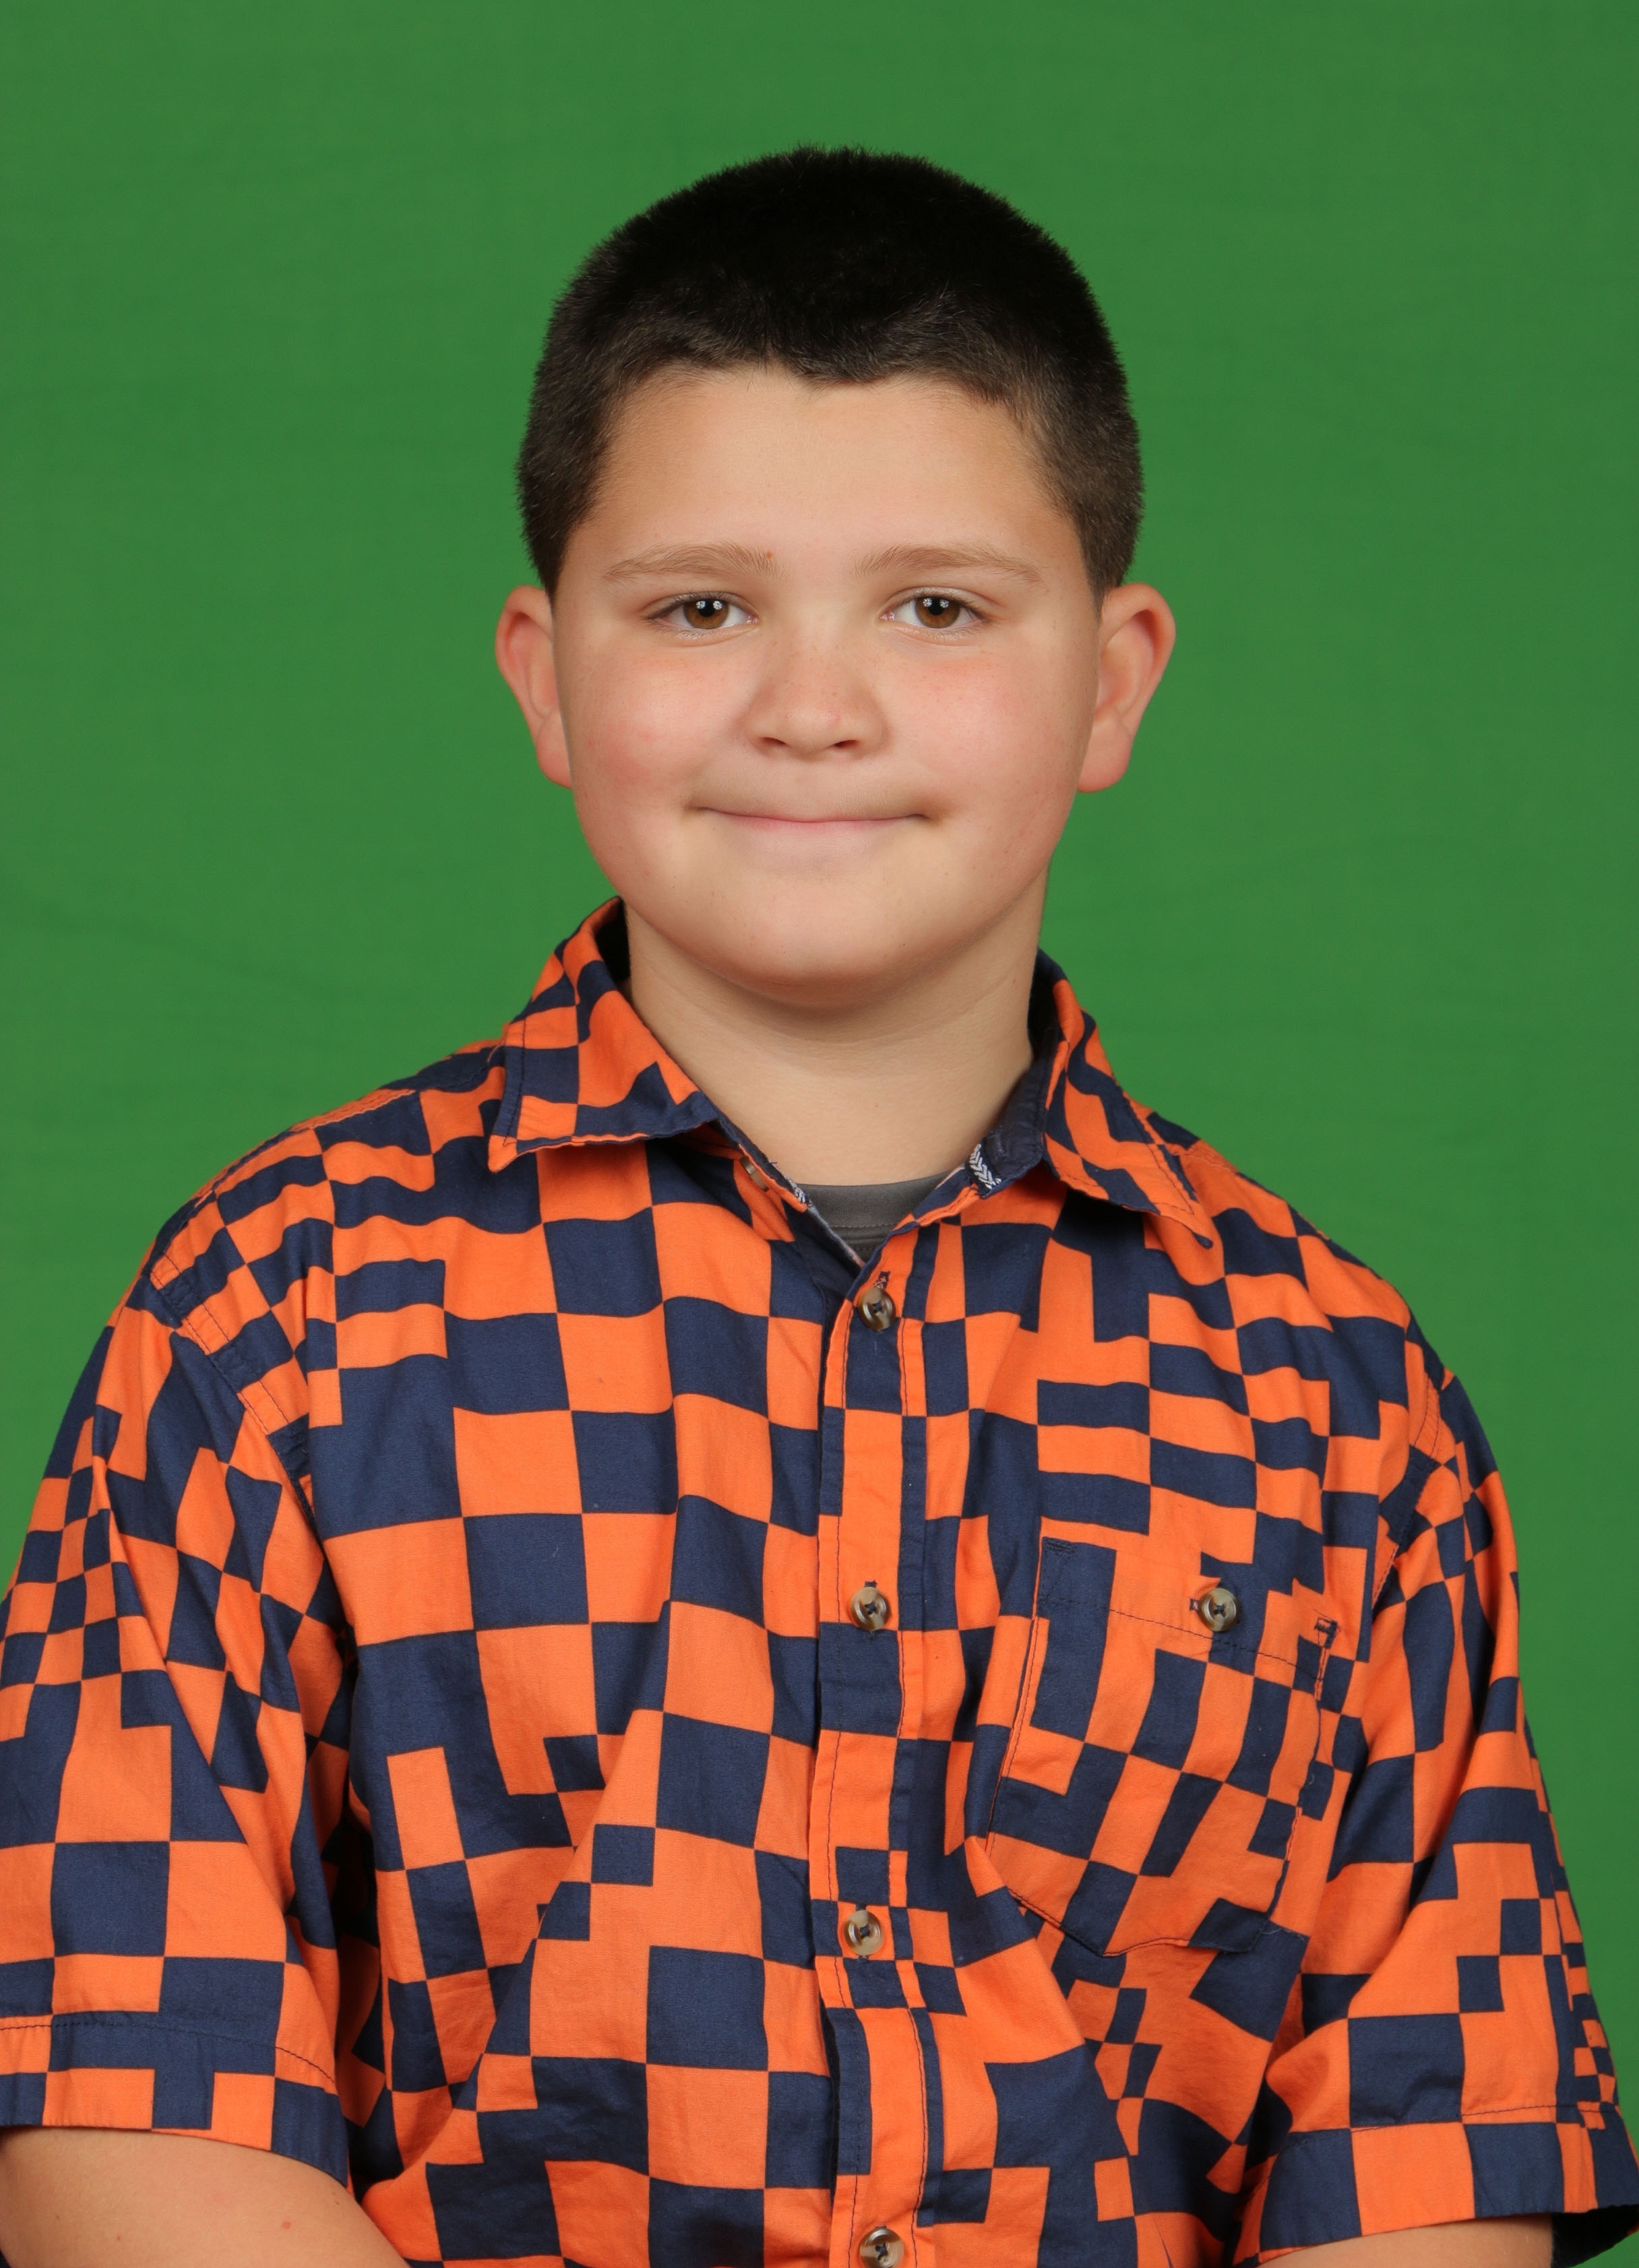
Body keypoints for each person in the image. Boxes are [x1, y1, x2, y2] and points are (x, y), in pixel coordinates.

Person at [0, 149, 1631, 2268]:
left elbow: (1434, 2170)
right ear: (543, 674)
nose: (812, 706)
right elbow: (119, 2128)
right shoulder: (281, 1313)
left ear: (1113, 680)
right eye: (702, 608)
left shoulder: (1336, 1400)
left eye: (937, 608)